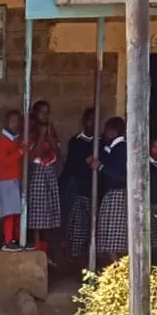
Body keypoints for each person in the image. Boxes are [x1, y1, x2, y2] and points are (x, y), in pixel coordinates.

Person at [25, 99, 62, 256]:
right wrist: (41, 137)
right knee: (37, 212)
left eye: (47, 113)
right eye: (42, 112)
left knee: (49, 211)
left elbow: (58, 154)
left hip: (50, 172)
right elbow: (30, 156)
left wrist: (50, 137)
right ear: (35, 114)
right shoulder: (30, 132)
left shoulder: (51, 130)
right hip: (37, 172)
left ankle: (46, 249)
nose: (45, 116)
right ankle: (36, 244)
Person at [62, 108, 96, 260]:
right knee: (77, 230)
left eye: (95, 121)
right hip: (78, 191)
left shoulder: (100, 142)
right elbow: (71, 165)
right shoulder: (76, 142)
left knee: (93, 233)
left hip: (95, 193)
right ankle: (78, 267)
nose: (92, 124)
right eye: (89, 120)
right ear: (83, 122)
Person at [94, 116, 129, 261]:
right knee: (112, 235)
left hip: (118, 195)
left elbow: (121, 173)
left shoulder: (121, 149)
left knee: (115, 236)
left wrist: (101, 167)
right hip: (113, 194)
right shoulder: (113, 148)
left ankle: (117, 268)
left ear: (112, 132)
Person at [0, 108, 25, 251]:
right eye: (12, 122)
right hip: (6, 180)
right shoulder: (2, 141)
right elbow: (3, 161)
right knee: (9, 213)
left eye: (17, 122)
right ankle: (7, 241)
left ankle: (18, 239)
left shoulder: (18, 139)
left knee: (18, 212)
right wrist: (19, 152)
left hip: (17, 179)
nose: (15, 124)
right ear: (6, 123)